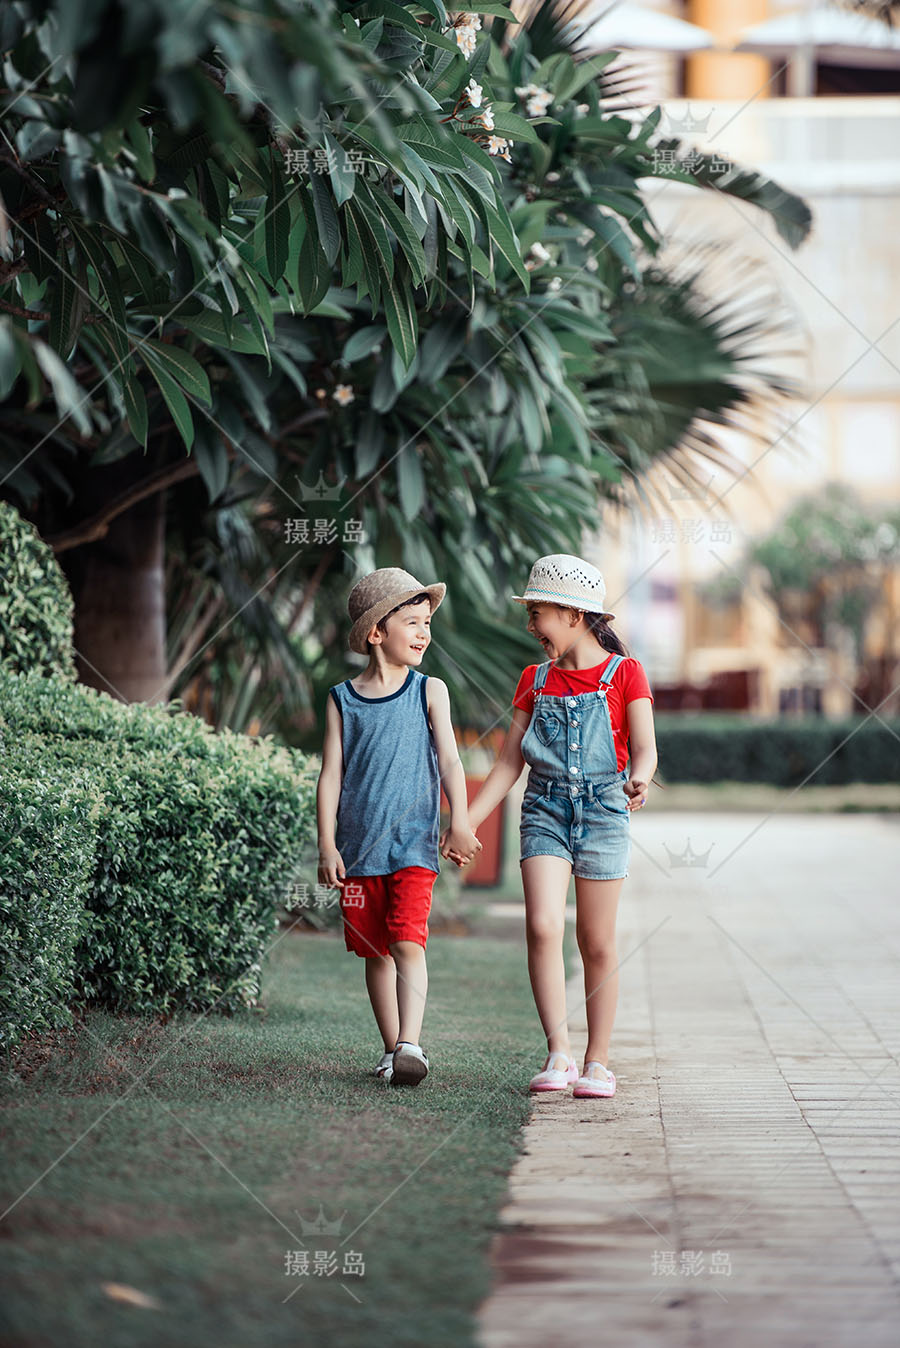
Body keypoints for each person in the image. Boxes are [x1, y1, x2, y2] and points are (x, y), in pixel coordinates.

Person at [442, 554, 657, 1099]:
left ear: (573, 614)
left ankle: (598, 1062)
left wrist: (642, 779)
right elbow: (510, 764)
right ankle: (558, 1052)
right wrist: (465, 820)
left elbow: (647, 751)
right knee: (542, 926)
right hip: (543, 810)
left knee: (596, 940)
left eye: (538, 613)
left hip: (605, 812)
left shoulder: (625, 674)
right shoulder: (533, 680)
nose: (533, 626)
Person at [317, 567, 481, 1088]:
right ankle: (393, 1051)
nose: (424, 633)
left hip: (414, 844)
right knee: (375, 951)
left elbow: (452, 763)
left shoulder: (430, 691)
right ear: (375, 633)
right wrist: (326, 845)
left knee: (408, 939)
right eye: (412, 622)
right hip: (358, 851)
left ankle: (412, 1041)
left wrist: (461, 821)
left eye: (427, 622)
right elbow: (330, 775)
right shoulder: (342, 699)